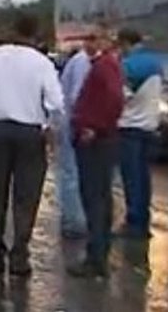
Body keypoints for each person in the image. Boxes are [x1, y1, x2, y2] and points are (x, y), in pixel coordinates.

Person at [0, 12, 63, 278]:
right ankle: (20, 253)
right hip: (30, 133)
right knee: (26, 196)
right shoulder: (41, 62)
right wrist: (50, 125)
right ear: (34, 34)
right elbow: (56, 100)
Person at [68, 25, 125, 279]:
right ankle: (98, 253)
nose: (87, 44)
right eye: (85, 39)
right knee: (97, 196)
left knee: (95, 197)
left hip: (96, 141)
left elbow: (114, 99)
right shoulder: (103, 65)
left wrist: (94, 126)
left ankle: (97, 256)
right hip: (97, 138)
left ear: (106, 40)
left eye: (92, 39)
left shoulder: (105, 66)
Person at [115, 28, 163, 240]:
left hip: (130, 127)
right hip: (150, 126)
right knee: (144, 177)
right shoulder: (155, 63)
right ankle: (143, 220)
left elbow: (121, 97)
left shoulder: (129, 66)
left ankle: (134, 223)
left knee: (132, 178)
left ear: (125, 43)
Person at [58, 41, 92, 239]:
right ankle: (74, 222)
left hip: (76, 122)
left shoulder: (86, 61)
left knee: (75, 172)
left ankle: (76, 219)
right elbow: (76, 96)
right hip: (74, 123)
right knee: (72, 172)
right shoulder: (82, 62)